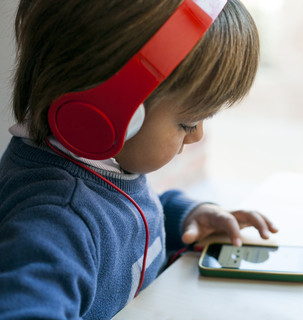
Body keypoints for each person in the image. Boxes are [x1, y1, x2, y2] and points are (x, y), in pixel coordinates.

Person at [0, 0, 278, 319]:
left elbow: (119, 219)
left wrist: (183, 217)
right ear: (112, 110)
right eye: (187, 123)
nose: (197, 135)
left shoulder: (97, 172)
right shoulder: (55, 221)